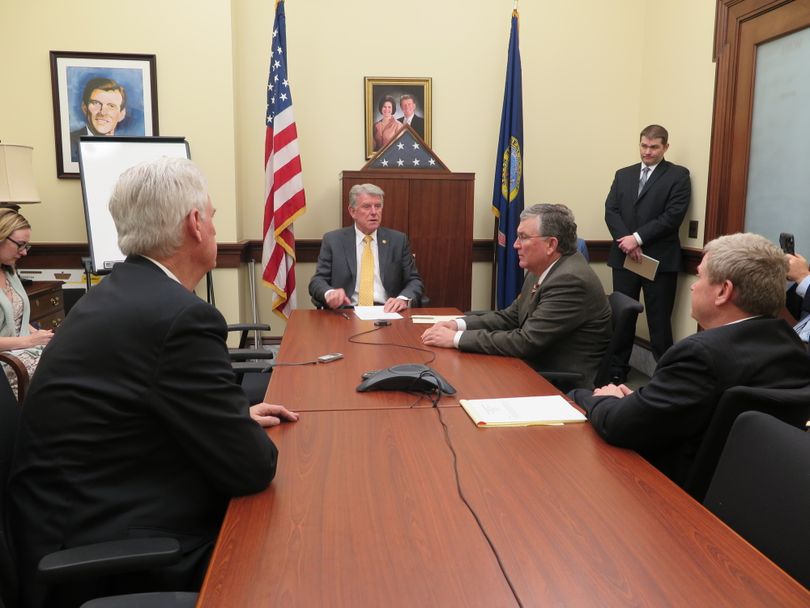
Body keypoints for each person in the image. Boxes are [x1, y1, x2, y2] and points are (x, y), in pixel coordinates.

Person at [9, 157, 299, 607]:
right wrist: (233, 431)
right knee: (296, 554)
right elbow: (252, 467)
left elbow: (137, 406)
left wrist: (228, 419)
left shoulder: (118, 292)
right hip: (99, 549)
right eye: (214, 216)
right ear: (196, 224)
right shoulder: (177, 316)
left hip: (69, 516)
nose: (215, 227)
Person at [570, 233, 810, 486]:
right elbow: (695, 408)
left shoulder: (700, 356)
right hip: (746, 492)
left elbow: (619, 426)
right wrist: (645, 402)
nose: (694, 286)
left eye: (699, 276)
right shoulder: (791, 344)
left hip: (672, 495)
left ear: (723, 291)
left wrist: (600, 397)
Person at [421, 204, 611, 389]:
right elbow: (511, 316)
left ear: (551, 244)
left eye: (523, 237)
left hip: (556, 382)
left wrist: (456, 339)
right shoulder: (542, 269)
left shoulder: (570, 280)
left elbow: (526, 342)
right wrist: (457, 324)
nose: (515, 244)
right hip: (531, 365)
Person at [605, 124, 691, 382]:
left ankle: (665, 378)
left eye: (654, 147)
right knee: (622, 318)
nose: (647, 152)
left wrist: (638, 238)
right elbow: (611, 210)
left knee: (659, 322)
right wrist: (626, 242)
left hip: (659, 261)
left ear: (665, 147)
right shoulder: (623, 175)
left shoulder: (678, 175)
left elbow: (673, 215)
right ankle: (616, 372)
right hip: (624, 258)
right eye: (644, 146)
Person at [308, 183, 423, 313]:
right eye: (367, 206)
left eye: (378, 206)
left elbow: (414, 281)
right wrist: (329, 293)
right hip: (347, 312)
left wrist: (403, 299)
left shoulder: (398, 240)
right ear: (352, 211)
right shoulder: (333, 240)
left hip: (387, 312)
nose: (374, 212)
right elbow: (317, 281)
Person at [0, 208, 53, 397]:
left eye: (26, 246)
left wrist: (38, 334)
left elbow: (17, 318)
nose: (24, 253)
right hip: (8, 363)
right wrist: (29, 340)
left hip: (18, 353)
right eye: (20, 245)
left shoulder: (9, 272)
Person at [69, 77, 128, 162]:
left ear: (122, 114)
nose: (103, 112)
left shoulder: (127, 152)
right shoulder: (68, 144)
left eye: (111, 106)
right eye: (96, 103)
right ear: (84, 108)